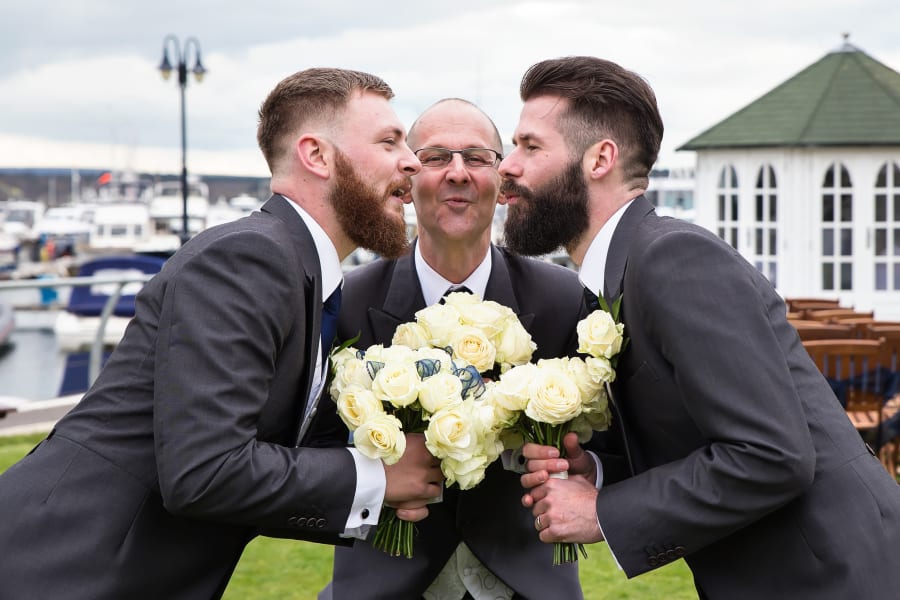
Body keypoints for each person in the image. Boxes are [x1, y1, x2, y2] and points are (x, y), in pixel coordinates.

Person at [0, 67, 445, 600]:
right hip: (61, 568)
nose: (412, 161)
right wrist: (375, 479)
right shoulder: (248, 257)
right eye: (389, 141)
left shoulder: (310, 280)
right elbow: (206, 470)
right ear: (317, 156)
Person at [501, 56, 900, 599]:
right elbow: (691, 432)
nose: (507, 165)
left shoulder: (673, 259)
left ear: (600, 158)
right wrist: (596, 469)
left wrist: (604, 512)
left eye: (530, 146)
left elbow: (772, 454)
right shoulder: (614, 279)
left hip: (834, 576)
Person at [319, 98, 586, 599]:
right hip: (384, 583)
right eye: (437, 157)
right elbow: (311, 448)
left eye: (477, 157)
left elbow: (599, 446)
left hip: (528, 584)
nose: (457, 174)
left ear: (503, 182)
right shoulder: (349, 302)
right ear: (407, 181)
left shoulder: (563, 299)